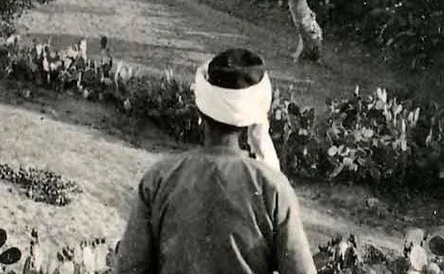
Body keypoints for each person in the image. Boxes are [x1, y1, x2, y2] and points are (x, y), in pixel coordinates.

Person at [113, 48, 317, 274]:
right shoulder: (272, 187)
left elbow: (129, 268)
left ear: (201, 112)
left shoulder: (159, 178)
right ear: (251, 120)